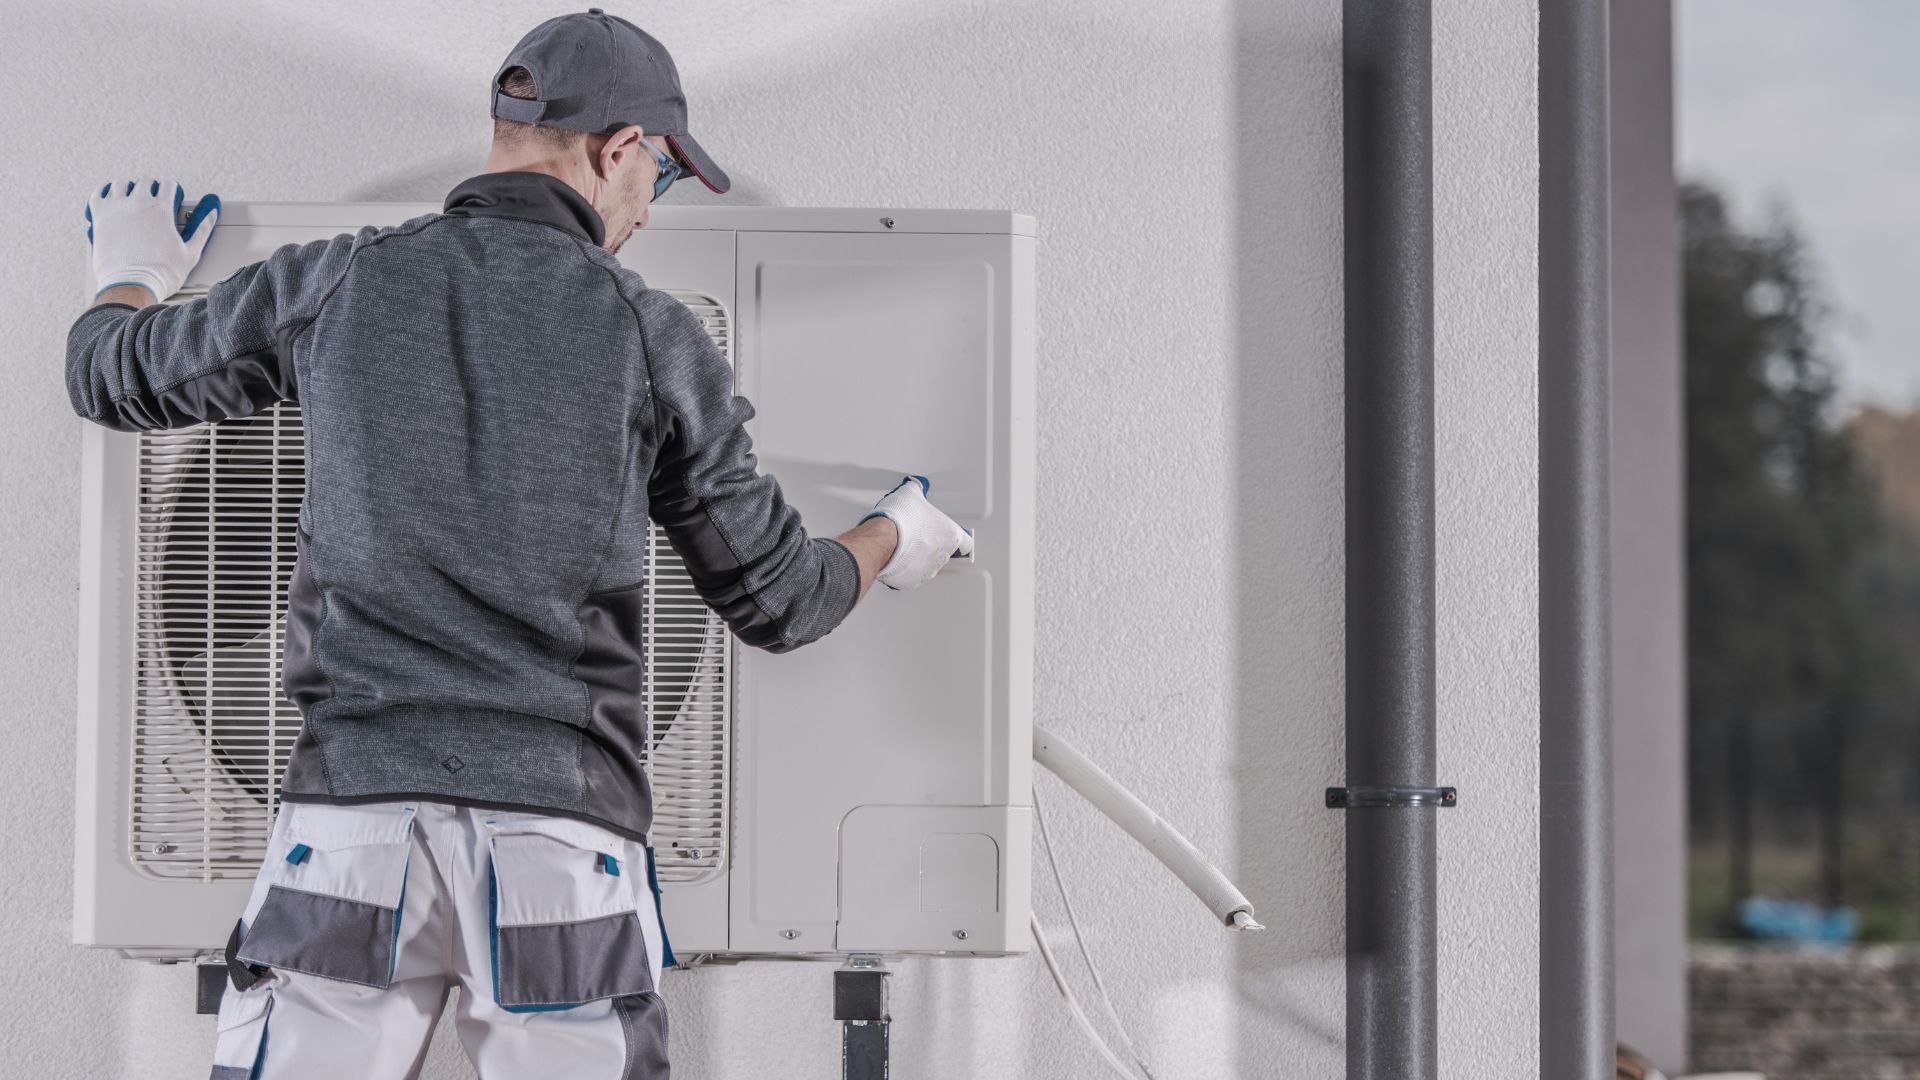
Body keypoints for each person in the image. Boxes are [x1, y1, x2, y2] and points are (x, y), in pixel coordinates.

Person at [66, 11, 970, 1079]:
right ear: (621, 148)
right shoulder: (652, 333)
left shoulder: (337, 282)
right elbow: (779, 598)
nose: (645, 208)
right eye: (663, 178)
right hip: (561, 844)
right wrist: (892, 535)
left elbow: (109, 375)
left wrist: (127, 274)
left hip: (348, 832)